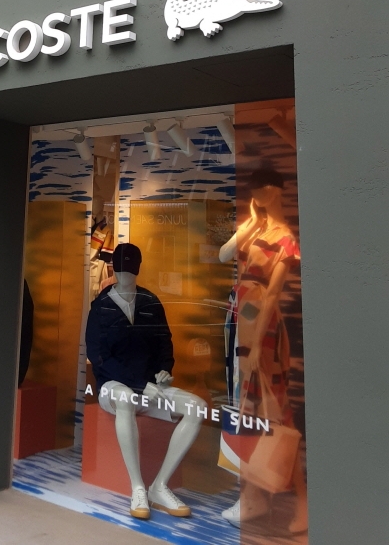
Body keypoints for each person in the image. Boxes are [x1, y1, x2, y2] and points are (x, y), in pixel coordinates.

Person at [86, 243, 204, 521]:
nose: (125, 275)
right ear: (114, 269)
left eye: (130, 269)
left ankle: (159, 486)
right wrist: (140, 383)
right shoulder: (101, 308)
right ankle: (137, 487)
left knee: (197, 407)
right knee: (125, 397)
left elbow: (164, 343)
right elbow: (99, 357)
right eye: (121, 269)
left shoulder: (150, 303)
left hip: (150, 388)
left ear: (137, 269)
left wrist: (164, 370)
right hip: (114, 387)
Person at [219, 169, 307, 533]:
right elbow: (224, 255)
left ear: (275, 190)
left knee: (274, 412)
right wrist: (252, 223)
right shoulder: (255, 228)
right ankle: (253, 496)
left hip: (261, 325)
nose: (255, 192)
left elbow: (272, 294)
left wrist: (257, 344)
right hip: (241, 317)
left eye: (261, 187)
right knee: (248, 408)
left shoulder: (285, 238)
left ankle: (301, 501)